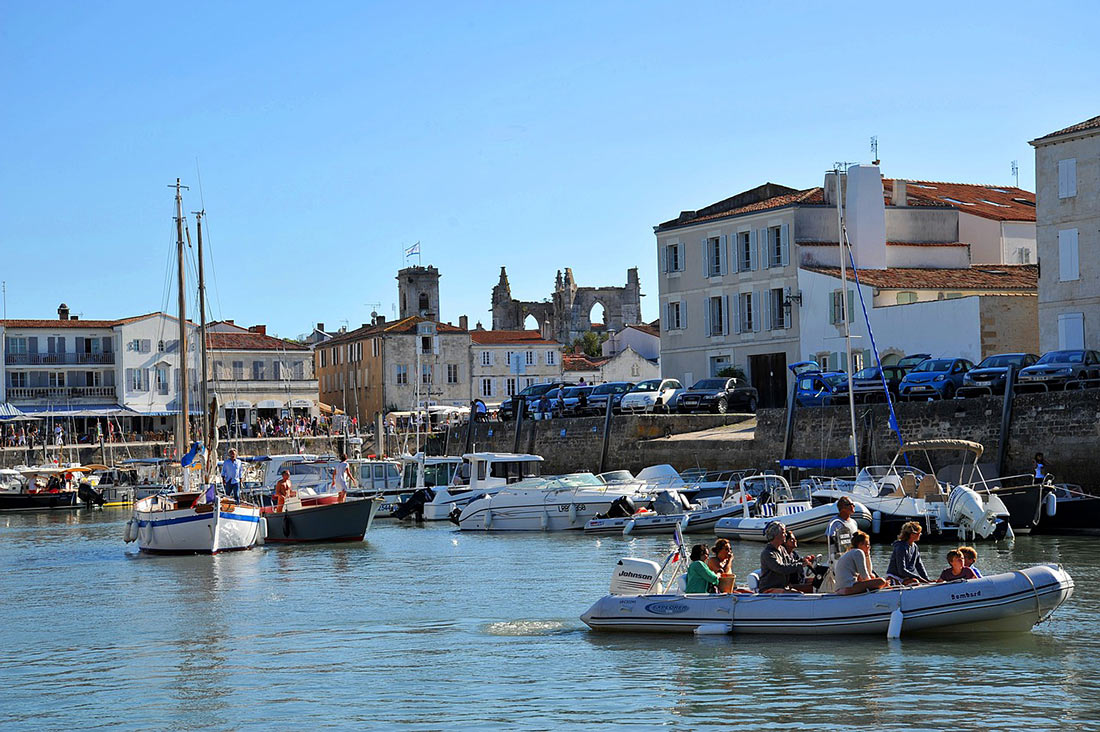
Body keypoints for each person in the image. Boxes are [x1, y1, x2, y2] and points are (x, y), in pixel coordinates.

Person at [758, 523, 812, 593]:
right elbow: (781, 568)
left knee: (801, 592)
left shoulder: (782, 549)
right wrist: (800, 565)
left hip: (781, 587)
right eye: (783, 533)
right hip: (769, 589)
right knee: (797, 594)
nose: (785, 535)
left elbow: (790, 562)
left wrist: (802, 561)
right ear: (776, 535)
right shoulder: (768, 553)